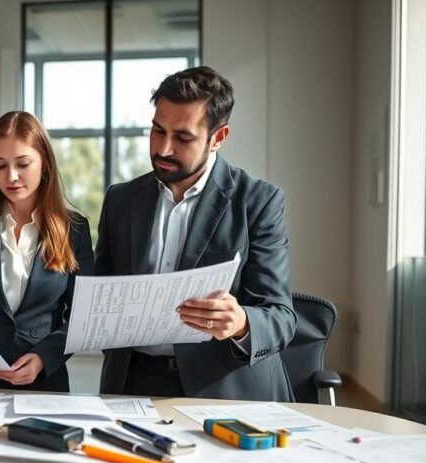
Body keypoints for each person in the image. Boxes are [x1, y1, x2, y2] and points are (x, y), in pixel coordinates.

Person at [95, 65, 296, 400]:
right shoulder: (120, 200)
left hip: (222, 389)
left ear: (218, 138)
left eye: (183, 137)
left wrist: (242, 322)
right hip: (129, 384)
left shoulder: (259, 202)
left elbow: (281, 317)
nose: (163, 149)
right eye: (157, 131)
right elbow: (100, 293)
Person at [0, 111, 94, 392]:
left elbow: (81, 317)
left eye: (23, 164)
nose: (11, 176)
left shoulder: (74, 228)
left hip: (43, 382)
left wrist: (43, 358)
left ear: (45, 163)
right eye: (0, 165)